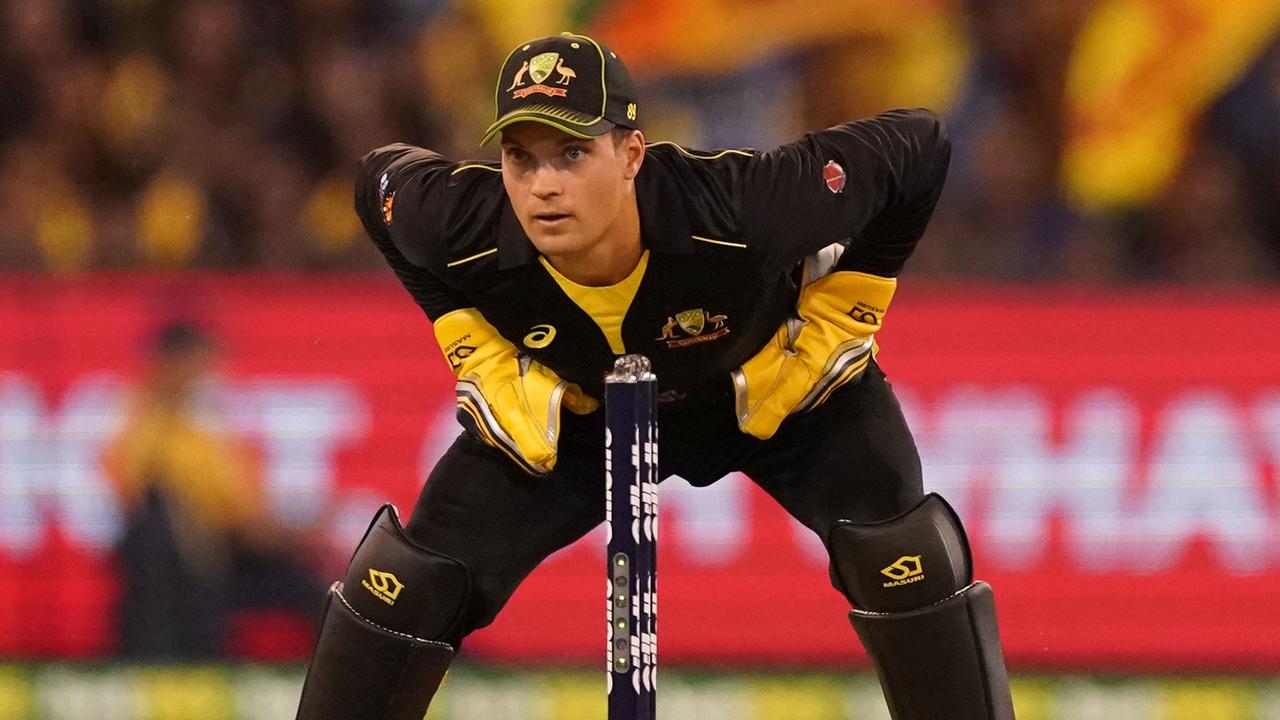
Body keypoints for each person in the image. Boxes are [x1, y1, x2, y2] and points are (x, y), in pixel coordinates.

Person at [296, 32, 1016, 720]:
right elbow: (375, 185)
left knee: (904, 554)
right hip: (575, 417)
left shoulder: (743, 207)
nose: (543, 187)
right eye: (522, 159)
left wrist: (845, 316)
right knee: (404, 589)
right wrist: (471, 349)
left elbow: (920, 146)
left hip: (779, 395)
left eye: (572, 155)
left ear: (632, 152)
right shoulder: (463, 222)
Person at [106, 321, 322, 659]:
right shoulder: (144, 419)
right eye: (201, 364)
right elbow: (140, 490)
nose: (211, 374)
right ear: (173, 364)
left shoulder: (207, 425)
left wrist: (282, 532)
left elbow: (237, 506)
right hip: (190, 558)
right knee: (162, 532)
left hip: (228, 547)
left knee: (315, 585)